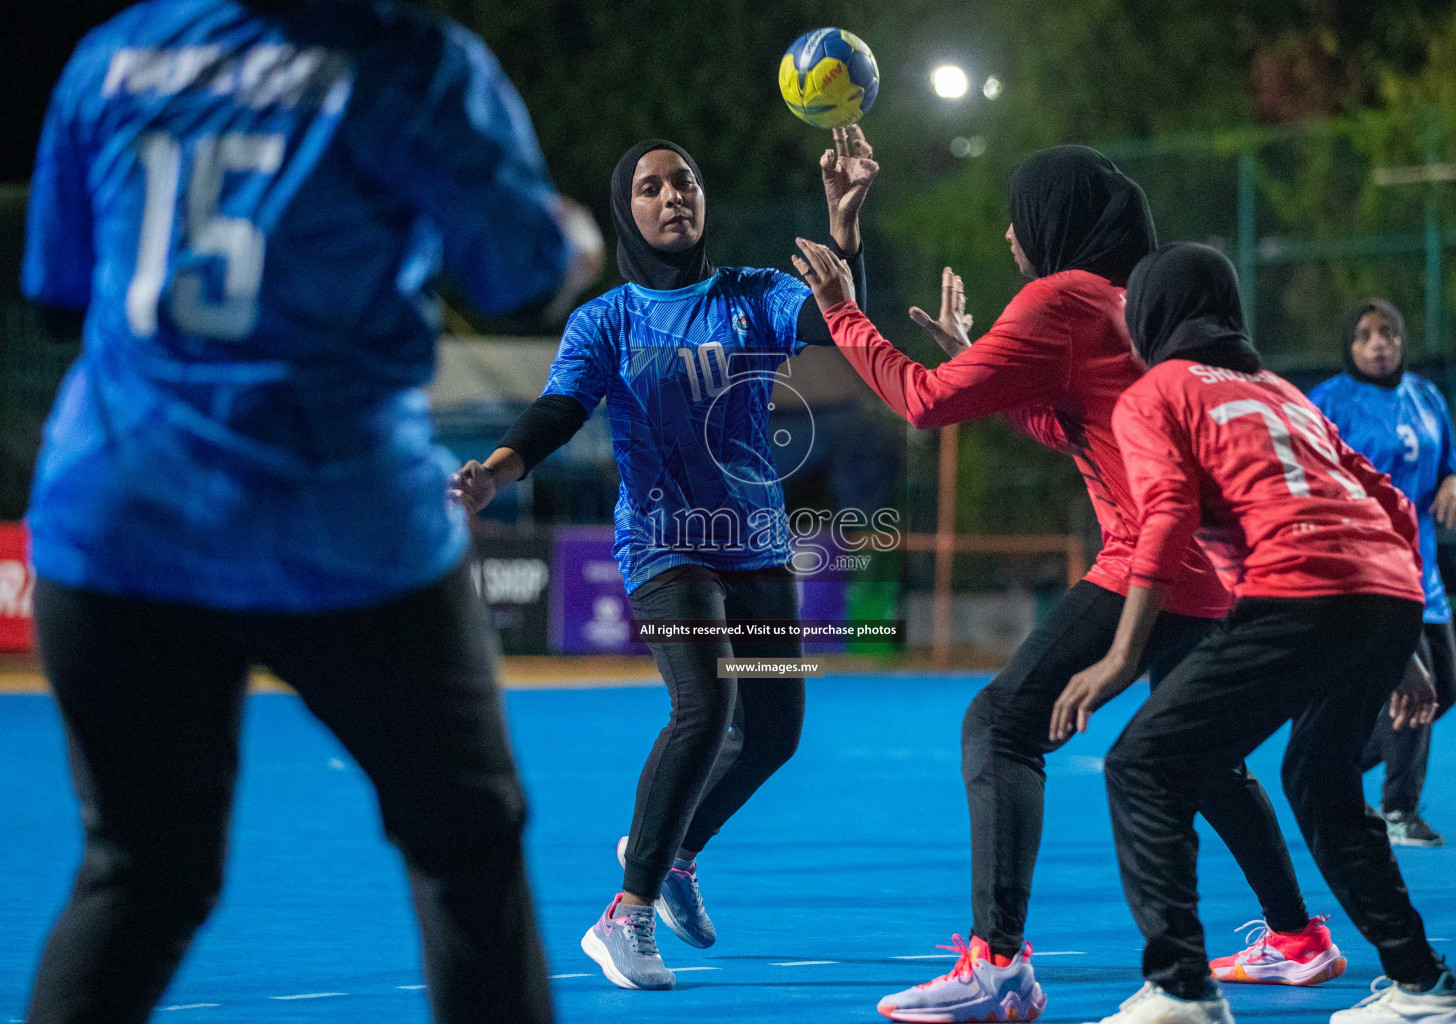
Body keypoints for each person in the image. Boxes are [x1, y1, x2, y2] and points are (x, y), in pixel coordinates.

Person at [18, 1, 602, 1021]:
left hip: (119, 517)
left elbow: (60, 293)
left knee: (139, 874)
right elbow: (525, 272)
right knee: (464, 848)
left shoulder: (113, 56)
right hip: (340, 526)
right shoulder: (409, 61)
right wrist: (576, 236)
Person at [791, 147, 1340, 1024]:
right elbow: (1075, 428)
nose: (1012, 231)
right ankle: (1298, 939)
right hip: (1202, 572)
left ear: (1059, 221)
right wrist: (979, 356)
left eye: (1022, 213)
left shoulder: (1062, 299)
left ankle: (998, 964)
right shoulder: (1132, 308)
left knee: (1001, 725)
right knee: (1202, 764)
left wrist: (842, 313)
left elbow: (925, 402)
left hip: (1144, 563)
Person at [450, 128, 877, 990]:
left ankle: (673, 851)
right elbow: (560, 409)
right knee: (704, 704)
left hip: (754, 545)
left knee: (774, 737)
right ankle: (626, 912)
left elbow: (835, 320)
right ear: (626, 210)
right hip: (662, 543)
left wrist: (846, 224)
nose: (672, 196)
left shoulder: (754, 294)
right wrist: (497, 472)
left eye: (684, 180)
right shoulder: (605, 320)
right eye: (650, 187)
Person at [1055, 241, 1456, 1024]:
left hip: (1301, 589)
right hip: (1387, 590)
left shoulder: (1155, 394)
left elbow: (1168, 517)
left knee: (1144, 765)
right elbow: (1382, 492)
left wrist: (1120, 656)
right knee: (1319, 780)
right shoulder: (1279, 388)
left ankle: (1180, 987)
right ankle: (1424, 987)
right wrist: (1405, 639)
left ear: (1153, 314)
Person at [1309, 300, 1456, 847]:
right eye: (1365, 335)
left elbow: (1452, 463)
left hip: (1423, 571)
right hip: (1369, 572)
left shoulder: (1425, 396)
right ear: (1348, 347)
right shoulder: (1329, 401)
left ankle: (1325, 764)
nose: (1378, 344)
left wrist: (1455, 483)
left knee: (1443, 691)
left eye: (1389, 333)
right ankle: (1398, 811)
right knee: (1413, 691)